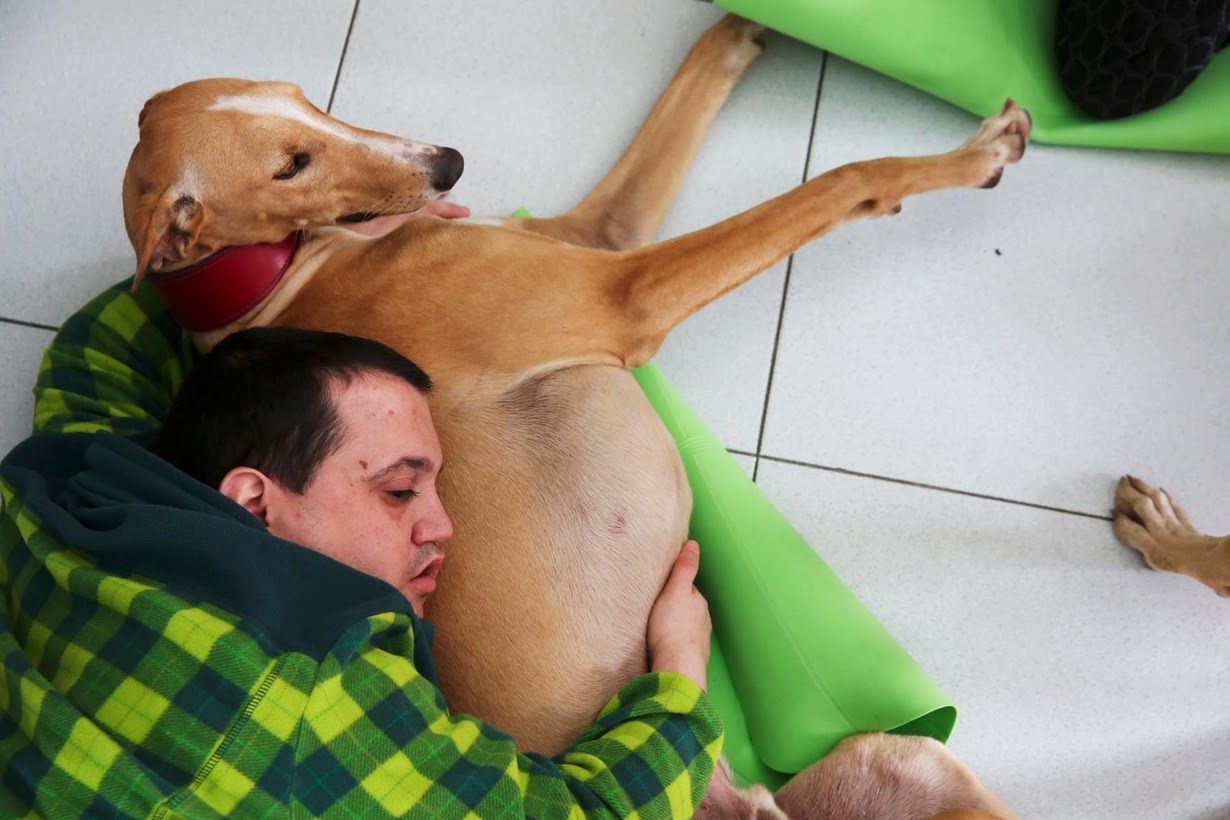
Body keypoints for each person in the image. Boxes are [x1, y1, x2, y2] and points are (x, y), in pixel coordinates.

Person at [0, 285, 721, 817]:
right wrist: (681, 677)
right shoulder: (314, 702)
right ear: (253, 499)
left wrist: (322, 244)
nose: (443, 526)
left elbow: (103, 339)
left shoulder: (63, 485)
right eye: (400, 492)